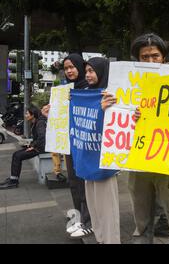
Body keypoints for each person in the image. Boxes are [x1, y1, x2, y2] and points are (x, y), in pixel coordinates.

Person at [102, 33, 169, 244]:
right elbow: (116, 116)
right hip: (137, 158)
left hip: (167, 157)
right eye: (145, 57)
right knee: (140, 211)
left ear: (163, 58)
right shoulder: (124, 85)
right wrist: (109, 107)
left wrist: (168, 67)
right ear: (137, 60)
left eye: (156, 56)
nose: (150, 61)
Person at [76, 57, 121, 244]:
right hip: (88, 159)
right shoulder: (86, 94)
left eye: (91, 71)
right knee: (95, 210)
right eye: (86, 71)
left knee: (107, 211)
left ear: (102, 72)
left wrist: (102, 109)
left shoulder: (112, 95)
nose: (87, 75)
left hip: (104, 163)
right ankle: (101, 240)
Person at [62, 53, 92, 238]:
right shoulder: (65, 90)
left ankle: (89, 221)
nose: (69, 71)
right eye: (66, 68)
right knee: (73, 181)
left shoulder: (89, 88)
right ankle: (79, 218)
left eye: (72, 67)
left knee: (84, 182)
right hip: (69, 141)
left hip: (85, 143)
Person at [0, 105, 47, 189]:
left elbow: (42, 137)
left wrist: (33, 146)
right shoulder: (36, 122)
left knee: (18, 156)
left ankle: (13, 181)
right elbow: (37, 137)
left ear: (32, 115)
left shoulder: (40, 123)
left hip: (41, 148)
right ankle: (13, 178)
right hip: (38, 146)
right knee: (16, 154)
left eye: (27, 113)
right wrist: (30, 144)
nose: (25, 115)